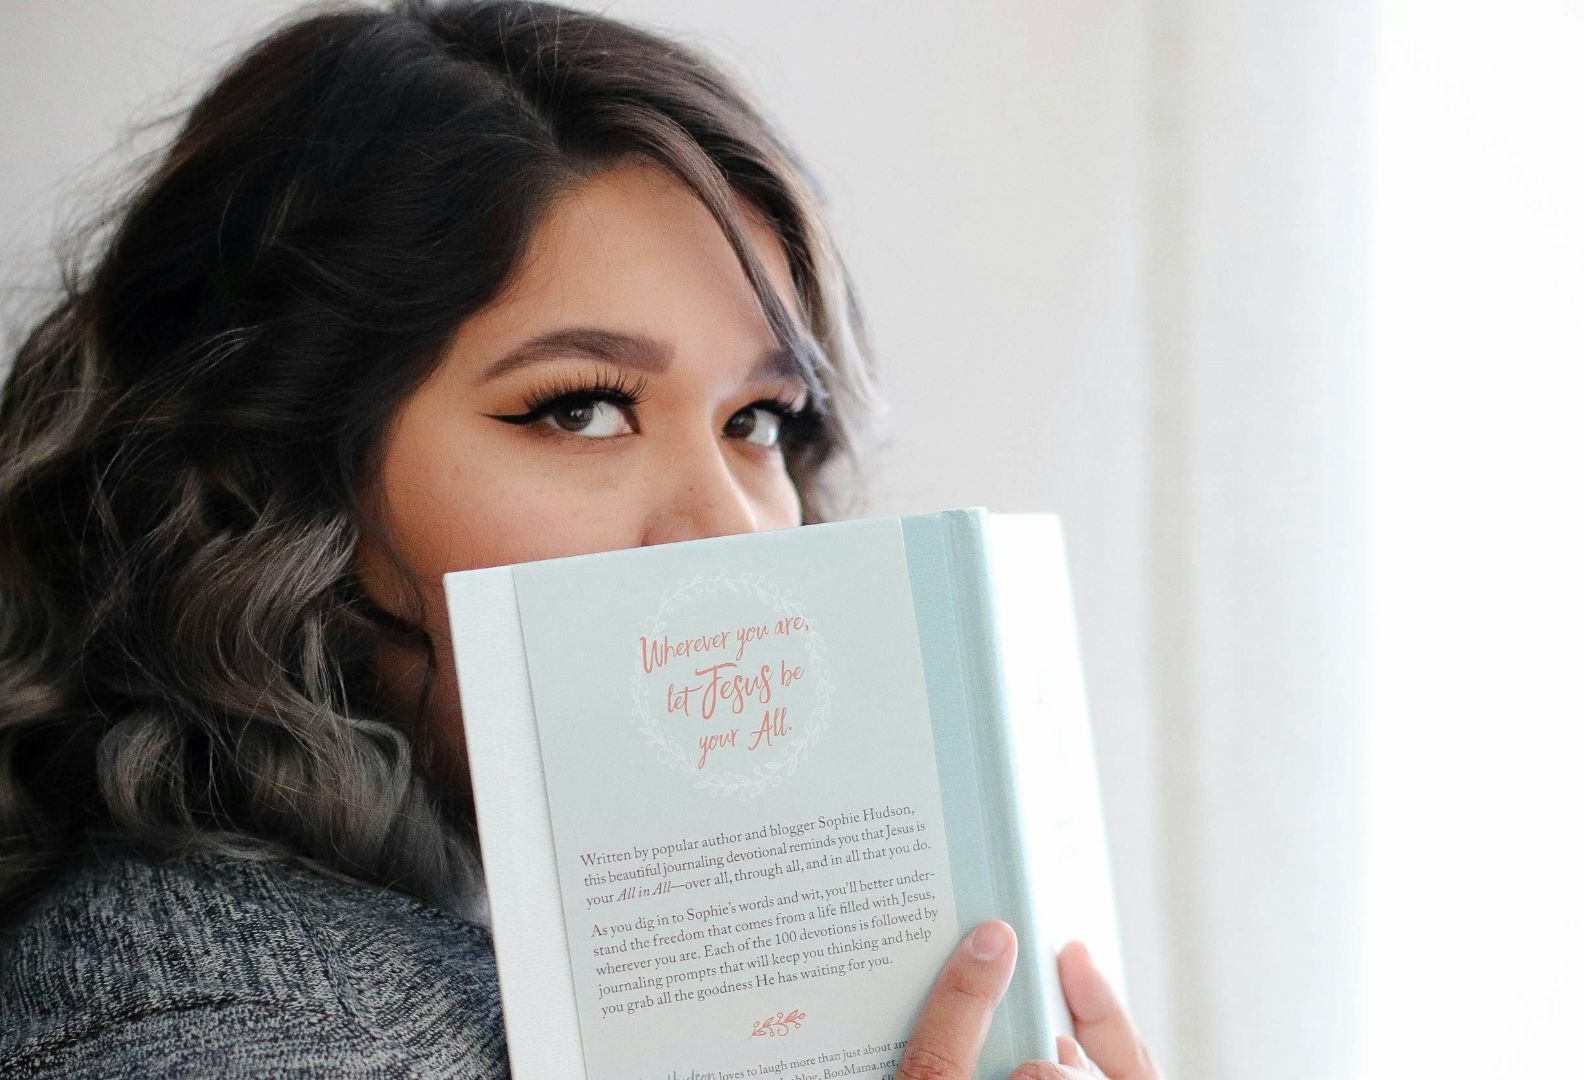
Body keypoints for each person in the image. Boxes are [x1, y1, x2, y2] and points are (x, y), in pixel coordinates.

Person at [0, 2, 1164, 1077]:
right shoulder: (202, 1034)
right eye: (580, 408)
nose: (725, 530)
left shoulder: (537, 954)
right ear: (268, 473)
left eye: (756, 421)